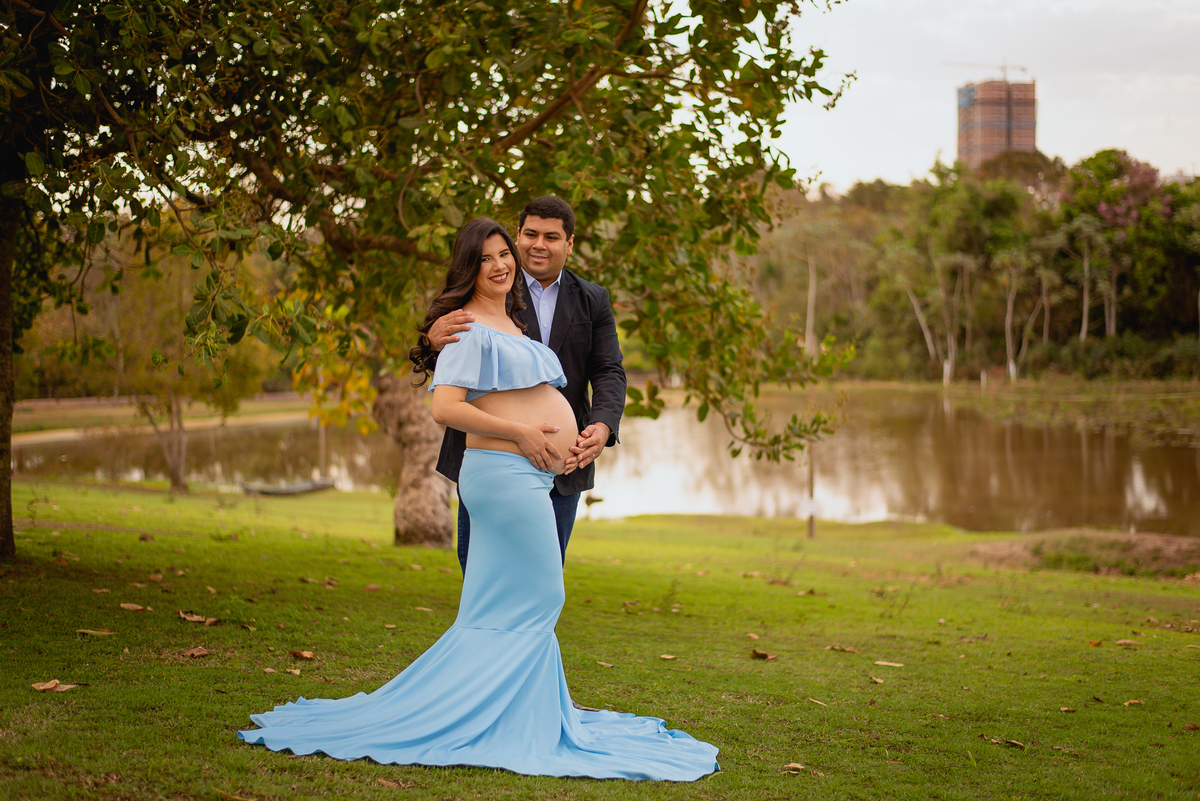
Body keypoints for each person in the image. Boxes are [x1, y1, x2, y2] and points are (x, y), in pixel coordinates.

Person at [237, 218, 719, 780]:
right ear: (470, 264)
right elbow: (445, 408)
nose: (502, 263)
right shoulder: (462, 325)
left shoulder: (516, 318)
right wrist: (521, 434)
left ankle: (509, 711)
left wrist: (588, 430)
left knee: (492, 602)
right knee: (544, 592)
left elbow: (603, 372)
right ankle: (494, 712)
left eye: (504, 255)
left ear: (565, 243)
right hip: (504, 471)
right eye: (489, 255)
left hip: (532, 472)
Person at [427, 196, 625, 572]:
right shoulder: (492, 286)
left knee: (545, 579)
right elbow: (451, 355)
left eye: (551, 237)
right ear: (517, 236)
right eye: (530, 234)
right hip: (493, 462)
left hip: (565, 463)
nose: (538, 244)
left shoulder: (593, 299)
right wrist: (431, 341)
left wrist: (602, 426)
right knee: (487, 575)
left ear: (568, 244)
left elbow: (609, 370)